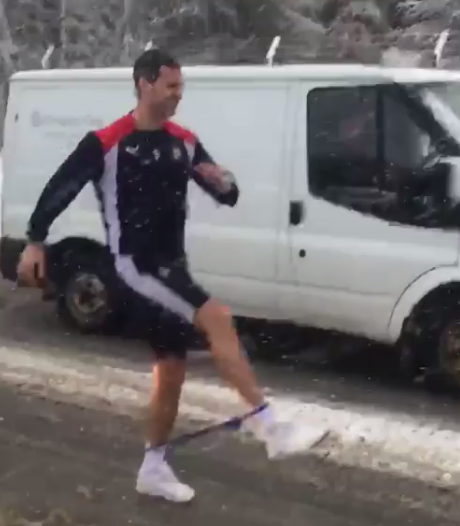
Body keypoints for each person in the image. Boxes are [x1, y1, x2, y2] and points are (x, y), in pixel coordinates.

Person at [17, 48, 329, 503]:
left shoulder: (182, 140)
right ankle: (269, 425)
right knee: (217, 316)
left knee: (172, 368)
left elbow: (224, 191)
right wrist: (35, 239)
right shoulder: (106, 142)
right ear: (144, 84)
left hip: (170, 266)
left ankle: (153, 466)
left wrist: (225, 183)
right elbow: (59, 188)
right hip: (133, 268)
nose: (179, 95)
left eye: (181, 87)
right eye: (172, 86)